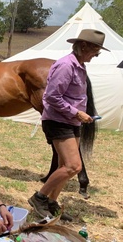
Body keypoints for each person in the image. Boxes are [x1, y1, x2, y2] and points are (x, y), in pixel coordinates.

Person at [28, 29, 109, 222]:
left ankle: (51, 202)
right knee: (74, 166)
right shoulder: (66, 65)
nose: (95, 56)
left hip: (72, 121)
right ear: (83, 46)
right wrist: (76, 112)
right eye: (95, 51)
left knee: (64, 165)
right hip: (58, 121)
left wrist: (83, 113)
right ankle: (39, 198)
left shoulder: (80, 65)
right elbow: (51, 96)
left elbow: (74, 96)